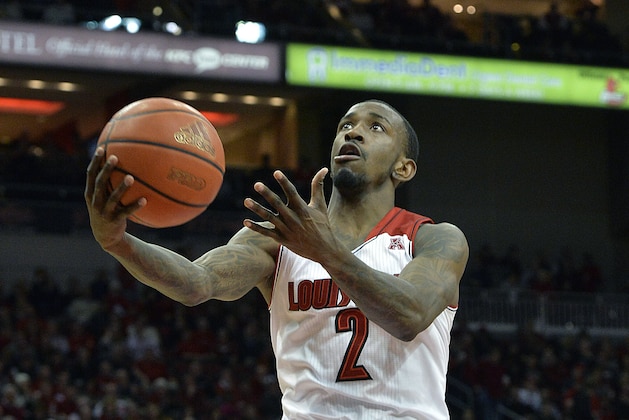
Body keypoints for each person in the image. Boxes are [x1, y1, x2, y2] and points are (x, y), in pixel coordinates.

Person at [85, 99, 469, 418]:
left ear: (403, 168)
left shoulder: (434, 239)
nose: (352, 132)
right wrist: (119, 243)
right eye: (345, 126)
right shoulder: (277, 239)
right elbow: (196, 283)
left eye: (376, 128)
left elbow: (409, 316)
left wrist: (326, 252)